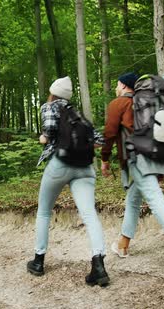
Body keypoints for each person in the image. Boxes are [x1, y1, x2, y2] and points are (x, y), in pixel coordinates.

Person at [100, 72, 164, 267]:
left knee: (154, 198)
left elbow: (109, 133)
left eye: (118, 84)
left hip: (137, 158)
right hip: (154, 155)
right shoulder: (147, 104)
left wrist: (104, 159)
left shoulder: (119, 103)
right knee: (133, 200)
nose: (117, 88)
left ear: (125, 86)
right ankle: (123, 245)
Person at [27, 76, 110, 286]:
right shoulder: (77, 114)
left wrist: (43, 138)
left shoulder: (50, 106)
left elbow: (49, 133)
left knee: (44, 211)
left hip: (59, 163)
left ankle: (38, 261)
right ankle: (98, 266)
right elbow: (99, 141)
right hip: (84, 167)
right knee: (89, 214)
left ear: (53, 92)